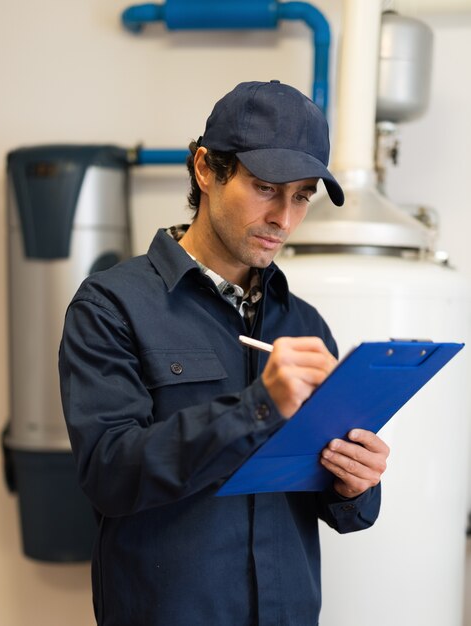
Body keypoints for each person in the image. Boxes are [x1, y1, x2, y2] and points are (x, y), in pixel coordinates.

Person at [59, 80, 390, 626]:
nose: (284, 218)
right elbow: (108, 475)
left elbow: (342, 511)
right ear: (206, 170)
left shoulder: (305, 324)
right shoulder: (111, 306)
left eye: (302, 195)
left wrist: (358, 483)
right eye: (266, 188)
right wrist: (259, 406)